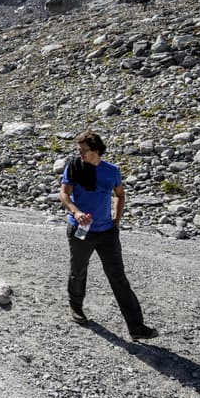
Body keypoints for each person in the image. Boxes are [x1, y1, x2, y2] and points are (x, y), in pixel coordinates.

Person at [59, 131, 158, 340]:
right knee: (78, 270)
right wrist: (75, 212)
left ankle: (136, 326)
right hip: (80, 230)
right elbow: (64, 193)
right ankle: (76, 307)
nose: (80, 154)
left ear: (95, 151)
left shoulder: (111, 171)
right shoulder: (73, 167)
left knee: (118, 277)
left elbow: (120, 195)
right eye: (78, 150)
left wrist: (116, 220)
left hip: (107, 232)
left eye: (83, 150)